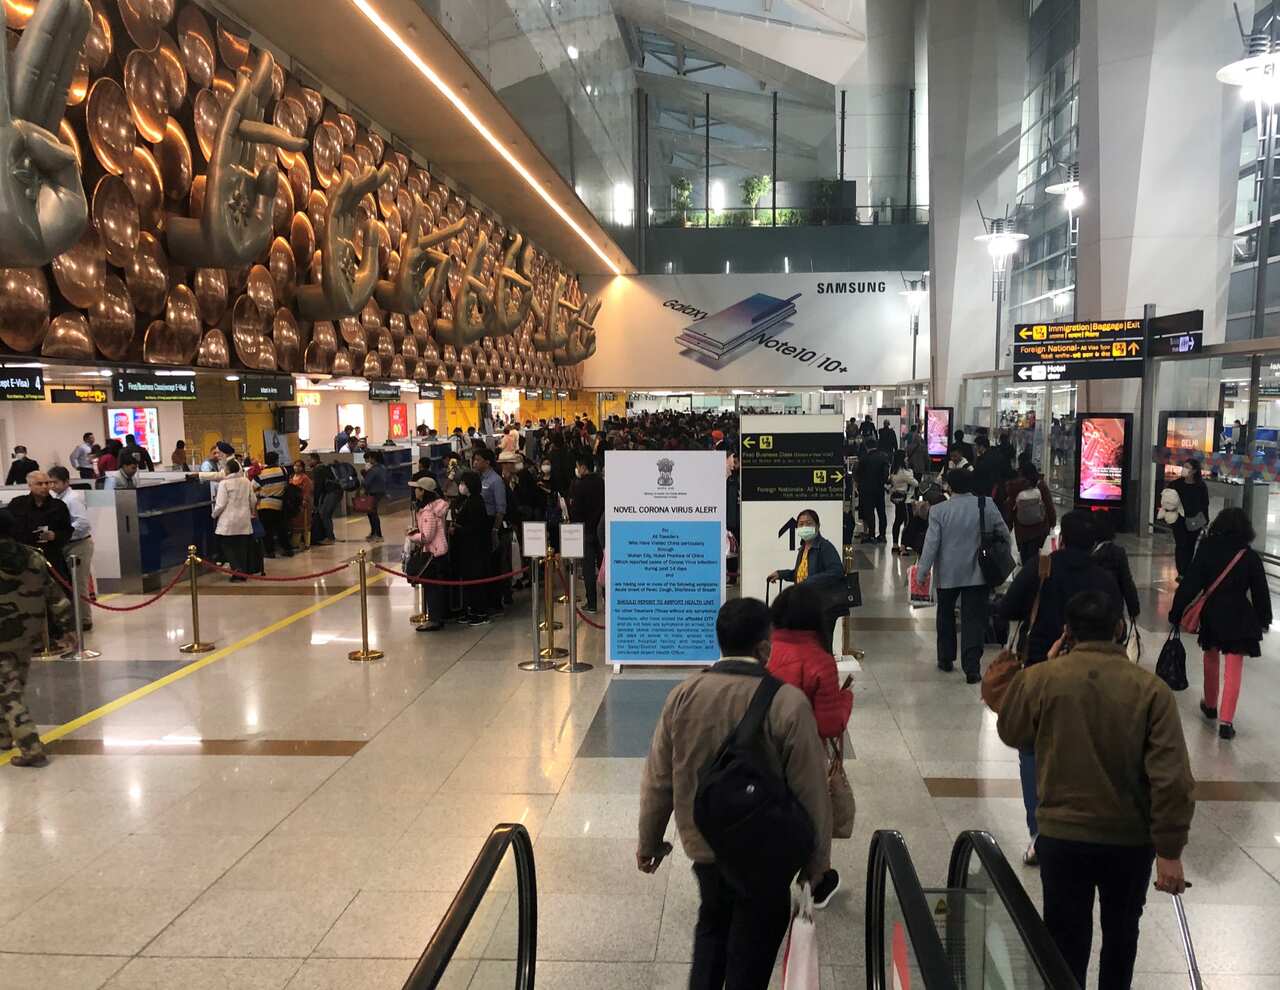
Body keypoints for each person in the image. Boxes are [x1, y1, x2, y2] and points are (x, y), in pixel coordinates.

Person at [997, 590, 1194, 990]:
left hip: (1062, 837)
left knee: (1064, 942)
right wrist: (1169, 851)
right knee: (1121, 939)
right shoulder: (1151, 691)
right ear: (1120, 629)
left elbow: (1011, 730)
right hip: (1129, 841)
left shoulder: (1043, 679)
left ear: (1067, 632)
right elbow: (1171, 778)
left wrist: (1042, 669)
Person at [637, 598, 831, 990]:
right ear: (764, 648)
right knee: (755, 945)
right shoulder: (788, 703)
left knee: (712, 925)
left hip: (705, 845)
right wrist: (816, 863)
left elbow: (659, 779)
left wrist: (650, 841)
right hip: (767, 853)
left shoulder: (683, 695)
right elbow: (812, 790)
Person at [998, 509, 1123, 863]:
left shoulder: (1042, 569)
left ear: (1062, 539)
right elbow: (1120, 625)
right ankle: (1085, 825)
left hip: (1042, 668)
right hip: (1095, 674)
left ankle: (1040, 833)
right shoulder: (1104, 578)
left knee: (1032, 748)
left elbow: (1007, 608)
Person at [766, 584, 852, 908]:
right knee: (818, 813)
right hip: (804, 754)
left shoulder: (764, 650)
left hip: (763, 747)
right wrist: (846, 699)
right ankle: (815, 880)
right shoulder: (820, 660)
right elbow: (829, 724)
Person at [1170, 507, 1272, 740]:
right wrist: (1263, 618)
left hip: (1213, 614)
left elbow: (1191, 583)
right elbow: (1260, 592)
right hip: (1240, 616)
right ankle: (1227, 721)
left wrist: (1176, 611)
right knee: (1233, 669)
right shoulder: (1249, 555)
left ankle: (1210, 705)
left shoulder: (1207, 549)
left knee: (1211, 658)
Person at [915, 468, 1011, 683]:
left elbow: (931, 545)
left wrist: (922, 573)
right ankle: (972, 668)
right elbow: (1004, 534)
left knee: (946, 616)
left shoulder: (939, 511)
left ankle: (946, 658)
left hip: (947, 574)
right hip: (978, 573)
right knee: (974, 619)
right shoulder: (986, 505)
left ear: (949, 485)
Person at [0, 507, 73, 766]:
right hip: (28, 634)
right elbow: (55, 597)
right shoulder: (33, 557)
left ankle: (32, 749)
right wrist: (68, 628)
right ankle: (3, 738)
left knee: (9, 693)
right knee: (11, 684)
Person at [768, 508, 846, 652]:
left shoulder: (825, 547)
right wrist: (781, 574)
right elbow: (799, 575)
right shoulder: (803, 549)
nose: (804, 527)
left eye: (808, 523)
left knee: (822, 648)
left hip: (824, 607)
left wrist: (810, 581)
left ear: (817, 526)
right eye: (801, 524)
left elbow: (837, 571)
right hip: (807, 606)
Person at [47, 467, 93, 632]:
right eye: (50, 482)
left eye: (56, 482)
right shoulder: (54, 498)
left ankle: (84, 620)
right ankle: (72, 619)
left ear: (66, 482)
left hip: (78, 544)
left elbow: (82, 523)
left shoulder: (73, 499)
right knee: (67, 583)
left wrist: (62, 533)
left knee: (79, 583)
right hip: (64, 545)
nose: (52, 485)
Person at [7, 471, 73, 585]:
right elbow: (8, 529)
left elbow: (67, 531)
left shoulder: (59, 506)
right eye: (39, 484)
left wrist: (55, 535)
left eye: (47, 483)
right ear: (30, 485)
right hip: (24, 558)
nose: (44, 487)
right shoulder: (17, 504)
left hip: (51, 558)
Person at [451, 470, 493, 625]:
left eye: (463, 483)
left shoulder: (476, 502)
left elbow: (476, 527)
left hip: (475, 549)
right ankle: (471, 610)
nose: (461, 486)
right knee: (469, 580)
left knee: (476, 581)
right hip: (467, 549)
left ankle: (480, 612)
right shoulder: (467, 500)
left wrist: (458, 529)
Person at [408, 477, 450, 631]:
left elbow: (427, 536)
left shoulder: (428, 512)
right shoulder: (436, 508)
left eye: (418, 489)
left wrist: (412, 536)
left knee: (432, 587)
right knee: (436, 587)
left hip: (433, 552)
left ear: (424, 492)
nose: (415, 492)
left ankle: (434, 619)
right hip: (440, 551)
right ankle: (438, 616)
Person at [1091, 513, 1140, 632]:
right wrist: (1133, 610)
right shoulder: (1118, 553)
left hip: (1091, 610)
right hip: (1113, 612)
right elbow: (1127, 583)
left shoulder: (1088, 554)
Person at [569, 455, 606, 613]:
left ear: (583, 467)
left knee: (588, 569)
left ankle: (591, 603)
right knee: (604, 565)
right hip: (602, 530)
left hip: (586, 531)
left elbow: (576, 511)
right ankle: (606, 597)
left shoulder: (579, 485)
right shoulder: (601, 482)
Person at [472, 448, 508, 610]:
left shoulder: (495, 481)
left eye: (478, 459)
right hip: (480, 526)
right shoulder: (477, 479)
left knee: (494, 565)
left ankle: (496, 601)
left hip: (492, 523)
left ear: (487, 462)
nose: (475, 462)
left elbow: (500, 508)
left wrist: (495, 530)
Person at [1002, 459, 1056, 565]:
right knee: (1037, 560)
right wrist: (1053, 522)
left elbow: (1010, 508)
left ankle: (1026, 576)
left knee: (1026, 559)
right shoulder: (1041, 485)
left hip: (1022, 531)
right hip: (1040, 528)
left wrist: (1008, 526)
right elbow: (1049, 505)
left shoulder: (1016, 488)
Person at [212, 459, 256, 581]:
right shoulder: (246, 482)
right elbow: (253, 500)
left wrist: (214, 515)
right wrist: (252, 511)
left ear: (228, 470)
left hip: (228, 520)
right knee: (241, 546)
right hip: (244, 519)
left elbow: (220, 504)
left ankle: (237, 571)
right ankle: (243, 573)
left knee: (227, 546)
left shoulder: (224, 484)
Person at [1168, 459, 1209, 579]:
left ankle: (1187, 570)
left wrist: (1205, 521)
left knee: (1190, 545)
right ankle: (1181, 571)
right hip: (1179, 520)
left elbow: (1204, 505)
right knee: (1181, 544)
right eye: (1183, 466)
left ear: (1194, 471)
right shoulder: (1176, 484)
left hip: (1195, 520)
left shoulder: (1200, 486)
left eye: (1187, 467)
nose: (1184, 469)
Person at [253, 451, 293, 558]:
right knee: (281, 528)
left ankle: (270, 552)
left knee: (267, 530)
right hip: (279, 504)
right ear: (276, 460)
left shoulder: (261, 474)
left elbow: (253, 487)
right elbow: (286, 484)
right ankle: (287, 549)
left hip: (264, 505)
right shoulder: (283, 470)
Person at [858, 441, 891, 544]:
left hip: (867, 490)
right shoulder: (883, 457)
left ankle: (871, 535)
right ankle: (882, 535)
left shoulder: (864, 458)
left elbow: (859, 473)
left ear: (867, 447)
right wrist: (884, 482)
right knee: (881, 512)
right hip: (879, 489)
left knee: (870, 513)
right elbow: (886, 473)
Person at [308, 454, 340, 546]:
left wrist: (316, 502)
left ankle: (330, 538)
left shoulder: (318, 469)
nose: (308, 462)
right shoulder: (324, 466)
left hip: (332, 492)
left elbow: (318, 486)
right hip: (335, 491)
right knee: (326, 514)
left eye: (309, 460)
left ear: (315, 460)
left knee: (325, 514)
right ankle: (330, 536)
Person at [888, 449, 917, 554]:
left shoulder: (893, 471)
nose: (907, 459)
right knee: (908, 522)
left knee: (897, 521)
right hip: (906, 500)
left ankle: (895, 544)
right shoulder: (905, 472)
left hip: (897, 499)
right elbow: (916, 483)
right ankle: (904, 546)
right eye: (905, 457)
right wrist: (911, 473)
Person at [972, 434, 1012, 503]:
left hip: (986, 491)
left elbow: (976, 475)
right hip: (998, 490)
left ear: (981, 446)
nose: (975, 448)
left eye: (976, 445)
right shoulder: (998, 454)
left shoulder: (982, 460)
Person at [361, 451, 387, 541]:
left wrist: (364, 475)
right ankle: (374, 533)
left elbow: (366, 482)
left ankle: (378, 534)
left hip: (373, 492)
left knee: (373, 514)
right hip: (380, 492)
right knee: (372, 513)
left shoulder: (373, 470)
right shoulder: (382, 467)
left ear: (372, 458)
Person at [289, 460, 314, 551]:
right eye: (295, 466)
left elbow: (307, 491)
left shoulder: (305, 478)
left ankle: (307, 543)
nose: (296, 467)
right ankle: (295, 542)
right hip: (294, 504)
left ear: (302, 468)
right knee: (295, 523)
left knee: (305, 523)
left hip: (303, 504)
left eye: (299, 466)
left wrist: (304, 500)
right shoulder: (292, 477)